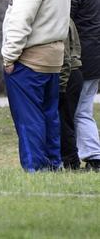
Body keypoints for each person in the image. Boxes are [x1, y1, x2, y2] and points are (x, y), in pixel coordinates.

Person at [2, 0, 73, 172]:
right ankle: (54, 164)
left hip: (29, 60)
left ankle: (36, 168)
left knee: (29, 118)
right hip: (54, 58)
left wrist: (9, 57)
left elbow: (20, 22)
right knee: (49, 115)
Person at [56, 0, 100, 171]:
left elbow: (64, 21)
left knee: (78, 111)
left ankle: (92, 157)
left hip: (84, 59)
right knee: (82, 109)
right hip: (94, 57)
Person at [57, 18, 83, 170]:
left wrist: (61, 85)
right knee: (66, 120)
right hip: (73, 73)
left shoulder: (62, 20)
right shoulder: (67, 17)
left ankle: (71, 162)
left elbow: (65, 56)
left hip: (68, 75)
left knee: (64, 122)